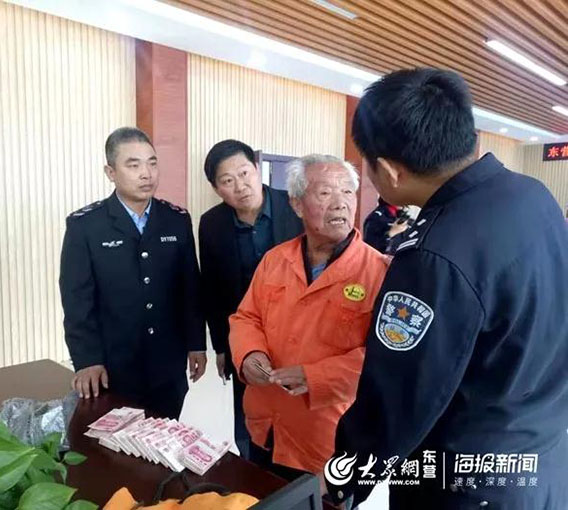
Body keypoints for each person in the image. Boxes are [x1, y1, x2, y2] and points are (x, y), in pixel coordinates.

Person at [323, 69, 568, 510]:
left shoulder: (432, 255)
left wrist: (345, 478)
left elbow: (398, 397)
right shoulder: (533, 196)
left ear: (390, 170)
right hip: (543, 461)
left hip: (467, 486)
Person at [229, 154, 388, 480]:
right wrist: (249, 354)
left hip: (328, 441)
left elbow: (386, 358)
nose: (341, 203)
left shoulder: (379, 272)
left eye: (347, 192)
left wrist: (316, 377)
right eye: (326, 192)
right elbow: (246, 316)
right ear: (297, 204)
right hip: (265, 427)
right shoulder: (275, 260)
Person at [59, 127, 206, 419]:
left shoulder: (176, 220)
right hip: (113, 365)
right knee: (114, 442)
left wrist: (196, 344)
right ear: (110, 172)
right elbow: (77, 299)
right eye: (133, 165)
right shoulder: (86, 225)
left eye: (152, 163)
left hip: (167, 363)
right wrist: (87, 360)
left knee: (163, 434)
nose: (146, 174)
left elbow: (190, 288)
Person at [198, 139, 302, 457]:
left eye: (244, 173)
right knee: (248, 416)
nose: (240, 186)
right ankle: (253, 467)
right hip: (245, 339)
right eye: (228, 181)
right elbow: (212, 290)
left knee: (297, 413)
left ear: (257, 169)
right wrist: (221, 347)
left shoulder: (296, 205)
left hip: (297, 333)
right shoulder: (212, 224)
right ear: (217, 189)